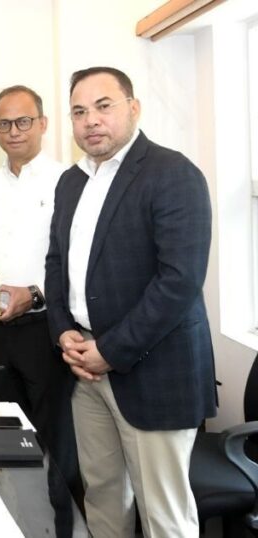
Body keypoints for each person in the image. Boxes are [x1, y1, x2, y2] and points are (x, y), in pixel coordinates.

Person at [45, 66, 216, 537]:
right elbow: (57, 263)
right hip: (84, 368)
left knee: (163, 515)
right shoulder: (71, 182)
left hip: (152, 371)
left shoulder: (173, 174)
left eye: (104, 106)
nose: (91, 121)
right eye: (79, 111)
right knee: (102, 498)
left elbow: (179, 282)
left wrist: (110, 350)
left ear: (133, 108)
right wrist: (63, 330)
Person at [0, 86, 78, 485]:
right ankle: (17, 510)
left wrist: (33, 294)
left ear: (43, 124)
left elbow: (76, 259)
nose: (13, 131)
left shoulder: (68, 181)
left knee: (57, 438)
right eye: (4, 123)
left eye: (23, 121)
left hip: (48, 327)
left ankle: (62, 516)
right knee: (8, 433)